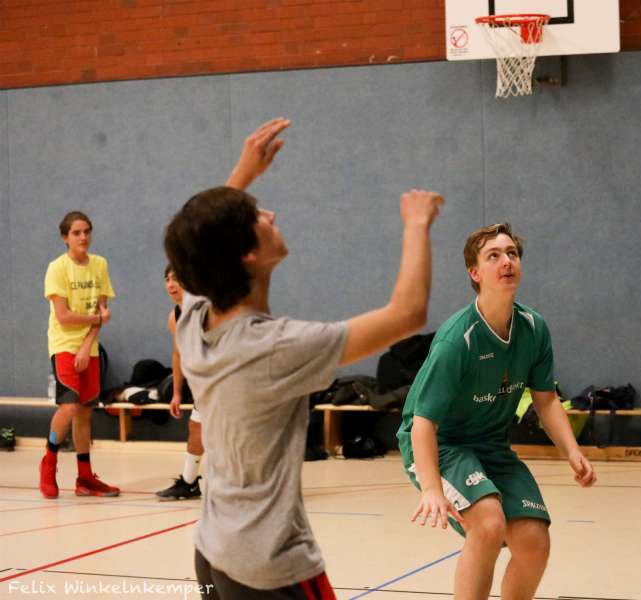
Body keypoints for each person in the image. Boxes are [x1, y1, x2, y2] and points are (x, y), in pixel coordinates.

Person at [164, 117, 443, 599]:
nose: (270, 215)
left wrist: (243, 173)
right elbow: (408, 313)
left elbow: (200, 248)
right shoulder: (273, 348)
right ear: (246, 255)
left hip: (213, 552)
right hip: (270, 568)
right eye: (258, 216)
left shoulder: (193, 320)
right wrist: (417, 223)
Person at [397, 223, 597, 600]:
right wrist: (432, 489)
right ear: (475, 273)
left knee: (534, 541)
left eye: (512, 254)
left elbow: (545, 399)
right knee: (488, 523)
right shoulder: (457, 340)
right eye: (494, 256)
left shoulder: (533, 328)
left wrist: (571, 450)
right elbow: (423, 423)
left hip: (490, 445)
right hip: (441, 444)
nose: (506, 261)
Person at [40, 211, 119, 499]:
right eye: (76, 233)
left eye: (86, 231)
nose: (83, 237)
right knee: (69, 408)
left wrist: (87, 345)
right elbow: (63, 316)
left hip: (89, 347)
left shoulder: (100, 264)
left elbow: (101, 311)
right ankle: (48, 464)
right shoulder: (57, 268)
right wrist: (96, 321)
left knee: (85, 412)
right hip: (63, 344)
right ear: (65, 237)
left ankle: (85, 478)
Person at [155, 264, 203, 501]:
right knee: (196, 427)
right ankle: (189, 483)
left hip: (229, 379)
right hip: (206, 385)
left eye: (176, 278)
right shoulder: (175, 317)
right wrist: (176, 392)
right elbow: (178, 354)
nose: (171, 284)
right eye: (167, 279)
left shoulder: (207, 309)